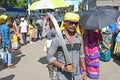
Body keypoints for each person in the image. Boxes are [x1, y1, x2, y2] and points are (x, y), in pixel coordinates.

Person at [47, 12, 87, 80]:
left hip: (77, 76)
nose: (73, 25)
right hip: (62, 77)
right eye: (71, 23)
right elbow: (49, 57)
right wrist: (63, 67)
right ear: (64, 23)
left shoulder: (79, 38)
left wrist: (84, 71)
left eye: (76, 23)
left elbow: (81, 56)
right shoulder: (58, 39)